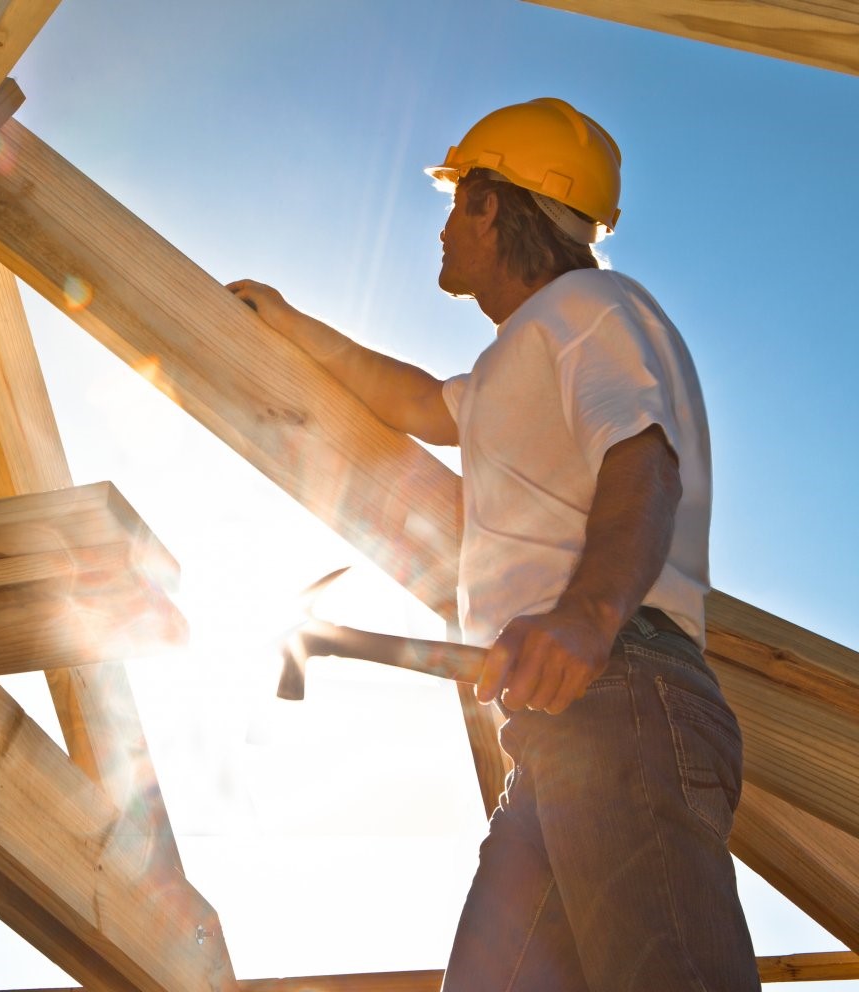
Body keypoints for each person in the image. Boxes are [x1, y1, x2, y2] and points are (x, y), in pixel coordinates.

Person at [228, 97, 760, 991]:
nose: (442, 227)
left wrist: (588, 618)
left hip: (622, 691)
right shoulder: (522, 355)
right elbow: (409, 401)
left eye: (454, 202)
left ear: (489, 203)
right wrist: (283, 321)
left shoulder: (590, 308)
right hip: (559, 728)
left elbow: (644, 458)